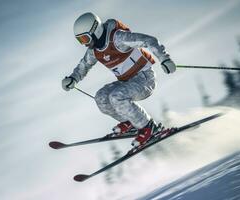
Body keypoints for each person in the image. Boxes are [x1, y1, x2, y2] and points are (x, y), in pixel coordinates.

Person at [62, 12, 176, 147]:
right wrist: (73, 78)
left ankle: (149, 127)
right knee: (101, 97)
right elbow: (84, 65)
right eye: (80, 41)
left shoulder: (118, 39)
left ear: (95, 30)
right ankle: (131, 122)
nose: (84, 44)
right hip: (127, 82)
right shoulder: (94, 51)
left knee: (117, 96)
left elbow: (148, 40)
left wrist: (164, 59)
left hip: (144, 79)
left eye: (85, 39)